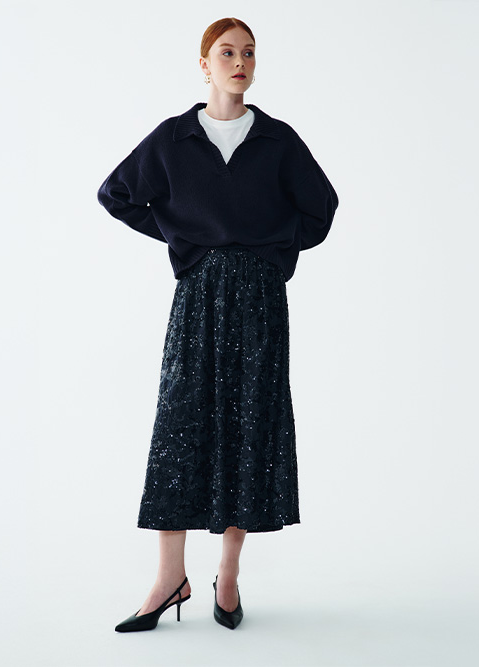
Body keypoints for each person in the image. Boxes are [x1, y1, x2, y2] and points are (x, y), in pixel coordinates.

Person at [97, 17, 338, 632]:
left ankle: (227, 577)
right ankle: (169, 578)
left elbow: (322, 209)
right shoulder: (174, 138)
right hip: (199, 295)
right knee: (180, 426)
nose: (239, 63)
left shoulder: (277, 141)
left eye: (248, 53)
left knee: (247, 427)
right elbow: (116, 194)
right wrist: (184, 235)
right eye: (227, 53)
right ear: (204, 64)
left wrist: (269, 248)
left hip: (260, 300)